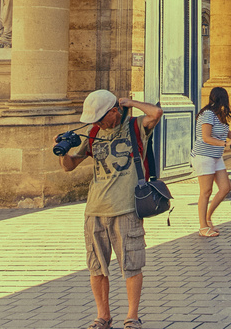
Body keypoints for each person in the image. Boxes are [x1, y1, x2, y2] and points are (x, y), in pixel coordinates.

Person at [56, 90, 162, 329]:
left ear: (115, 110)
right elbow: (70, 166)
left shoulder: (135, 127)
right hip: (95, 210)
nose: (97, 123)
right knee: (96, 266)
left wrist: (130, 103)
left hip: (126, 209)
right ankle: (103, 315)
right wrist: (61, 153)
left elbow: (156, 113)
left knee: (132, 265)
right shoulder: (93, 133)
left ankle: (132, 316)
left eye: (101, 118)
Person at [191, 86, 231, 238]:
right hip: (204, 156)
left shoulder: (219, 115)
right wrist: (225, 144)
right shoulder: (207, 114)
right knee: (206, 191)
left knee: (225, 188)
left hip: (216, 156)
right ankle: (202, 227)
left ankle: (208, 218)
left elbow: (226, 132)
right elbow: (206, 137)